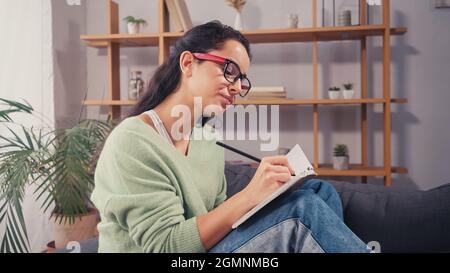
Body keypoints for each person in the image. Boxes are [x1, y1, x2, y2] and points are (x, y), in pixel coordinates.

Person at [91, 21, 369, 253]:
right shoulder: (131, 142)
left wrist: (268, 196)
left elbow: (216, 220)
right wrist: (249, 196)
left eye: (241, 80)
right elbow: (167, 245)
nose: (236, 87)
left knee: (320, 192)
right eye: (230, 71)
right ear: (188, 63)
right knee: (303, 211)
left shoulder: (205, 139)